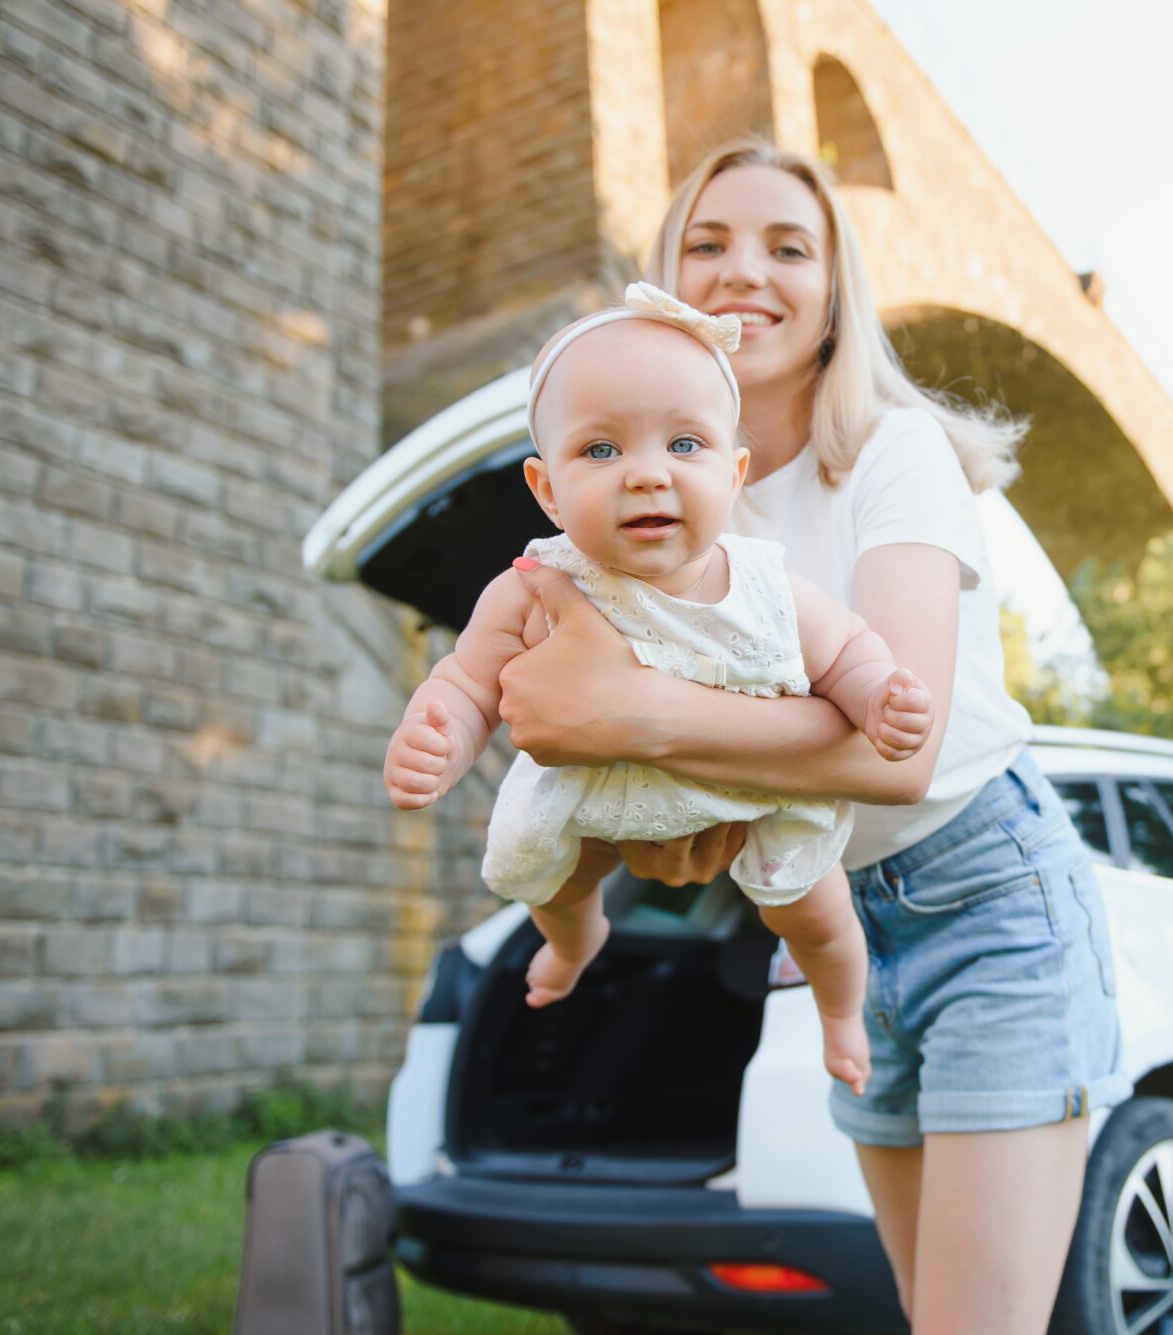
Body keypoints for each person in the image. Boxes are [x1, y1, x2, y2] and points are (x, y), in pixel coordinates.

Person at [497, 140, 1129, 1334]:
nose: (749, 272)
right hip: (833, 918)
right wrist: (662, 817)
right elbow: (676, 790)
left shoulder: (894, 453)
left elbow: (894, 746)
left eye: (790, 248)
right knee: (920, 1307)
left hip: (989, 899)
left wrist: (630, 717)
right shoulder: (663, 501)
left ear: (837, 290)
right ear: (664, 286)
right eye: (709, 243)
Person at [381, 282, 936, 1096]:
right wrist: (438, 733)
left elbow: (846, 652)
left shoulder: (768, 585)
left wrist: (880, 694)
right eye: (601, 451)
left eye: (684, 444)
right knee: (555, 881)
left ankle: (841, 1010)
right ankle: (575, 941)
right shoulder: (534, 587)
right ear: (545, 488)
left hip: (760, 801)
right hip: (594, 798)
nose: (645, 476)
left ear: (733, 469)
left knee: (815, 916)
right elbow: (470, 682)